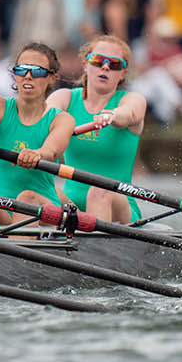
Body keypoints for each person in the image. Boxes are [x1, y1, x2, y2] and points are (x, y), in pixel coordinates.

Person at [47, 35, 148, 224]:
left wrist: (113, 116)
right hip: (72, 205)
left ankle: (94, 238)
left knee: (98, 190)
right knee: (38, 192)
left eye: (115, 64)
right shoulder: (64, 98)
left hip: (117, 206)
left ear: (123, 73)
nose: (105, 67)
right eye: (98, 60)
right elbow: (44, 118)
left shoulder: (132, 100)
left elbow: (130, 112)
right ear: (85, 64)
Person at [0, 43, 75, 226]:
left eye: (37, 71)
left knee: (26, 197)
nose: (28, 76)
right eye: (22, 70)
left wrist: (37, 154)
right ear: (14, 74)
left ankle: (19, 242)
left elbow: (52, 150)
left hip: (43, 209)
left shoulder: (62, 119)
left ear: (52, 78)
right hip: (3, 208)